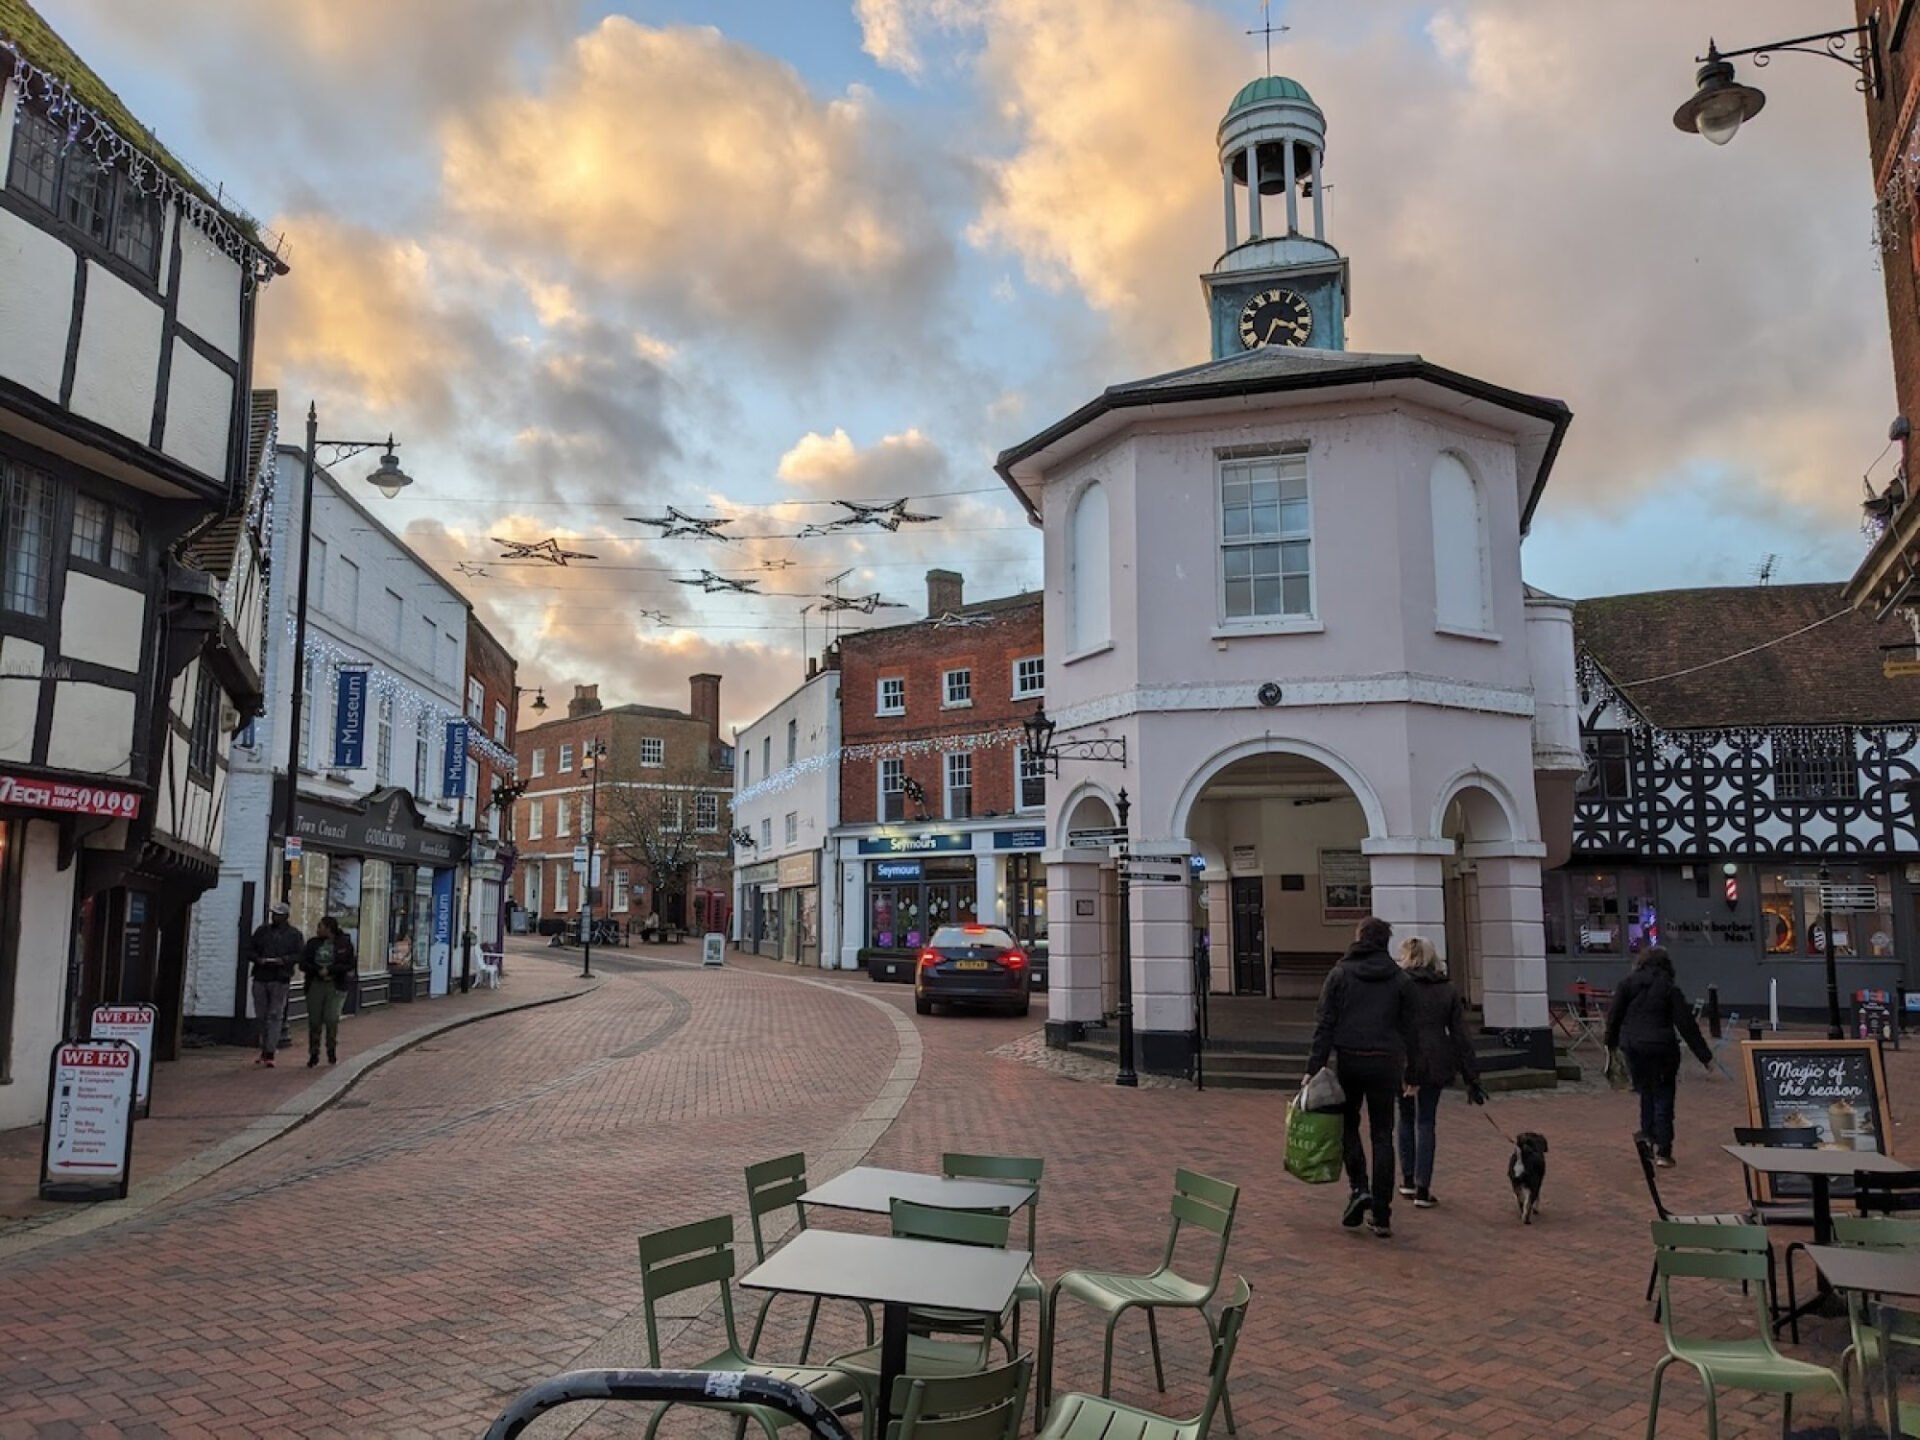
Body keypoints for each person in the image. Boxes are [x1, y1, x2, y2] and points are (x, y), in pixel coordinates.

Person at [1307, 916, 1417, 1239]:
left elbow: (1324, 1024)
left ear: (1359, 938)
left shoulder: (1340, 974)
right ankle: (1382, 1213)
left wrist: (1313, 1068)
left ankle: (1359, 1188)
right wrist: (1413, 1071)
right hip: (1387, 1063)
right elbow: (1412, 1030)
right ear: (1385, 942)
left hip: (1350, 1060)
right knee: (1383, 1134)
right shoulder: (1400, 980)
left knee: (1348, 1125)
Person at [1394, 937, 1488, 1210]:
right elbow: (1461, 1036)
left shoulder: (1399, 987)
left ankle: (1408, 1179)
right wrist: (1472, 1076)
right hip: (1436, 1058)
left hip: (1404, 1059)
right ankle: (1423, 1188)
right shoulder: (1446, 990)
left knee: (1406, 1118)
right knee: (1426, 1122)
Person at [1604, 946, 1714, 1168]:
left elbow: (1614, 1016)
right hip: (1662, 1048)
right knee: (1664, 1096)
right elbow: (1686, 1024)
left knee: (1645, 1092)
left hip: (1634, 1047)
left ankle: (1647, 1136)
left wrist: (1611, 1043)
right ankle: (1664, 1150)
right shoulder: (1669, 988)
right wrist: (1705, 1056)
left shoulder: (1627, 984)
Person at [244, 902, 303, 1067]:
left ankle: (270, 1051)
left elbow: (299, 955)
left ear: (285, 917)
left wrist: (283, 961)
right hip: (261, 977)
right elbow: (249, 949)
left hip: (280, 978)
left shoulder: (294, 934)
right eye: (273, 914)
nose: (274, 917)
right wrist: (258, 959)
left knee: (275, 1015)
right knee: (261, 1016)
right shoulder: (262, 931)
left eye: (278, 914)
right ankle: (265, 1048)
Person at [299, 916, 356, 1067]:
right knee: (315, 1021)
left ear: (329, 928)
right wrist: (317, 970)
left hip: (335, 985)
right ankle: (314, 1053)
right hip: (315, 985)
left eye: (320, 926)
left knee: (331, 1018)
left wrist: (331, 970)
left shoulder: (344, 943)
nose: (318, 929)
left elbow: (349, 964)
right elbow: (303, 963)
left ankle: (331, 1050)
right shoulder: (312, 944)